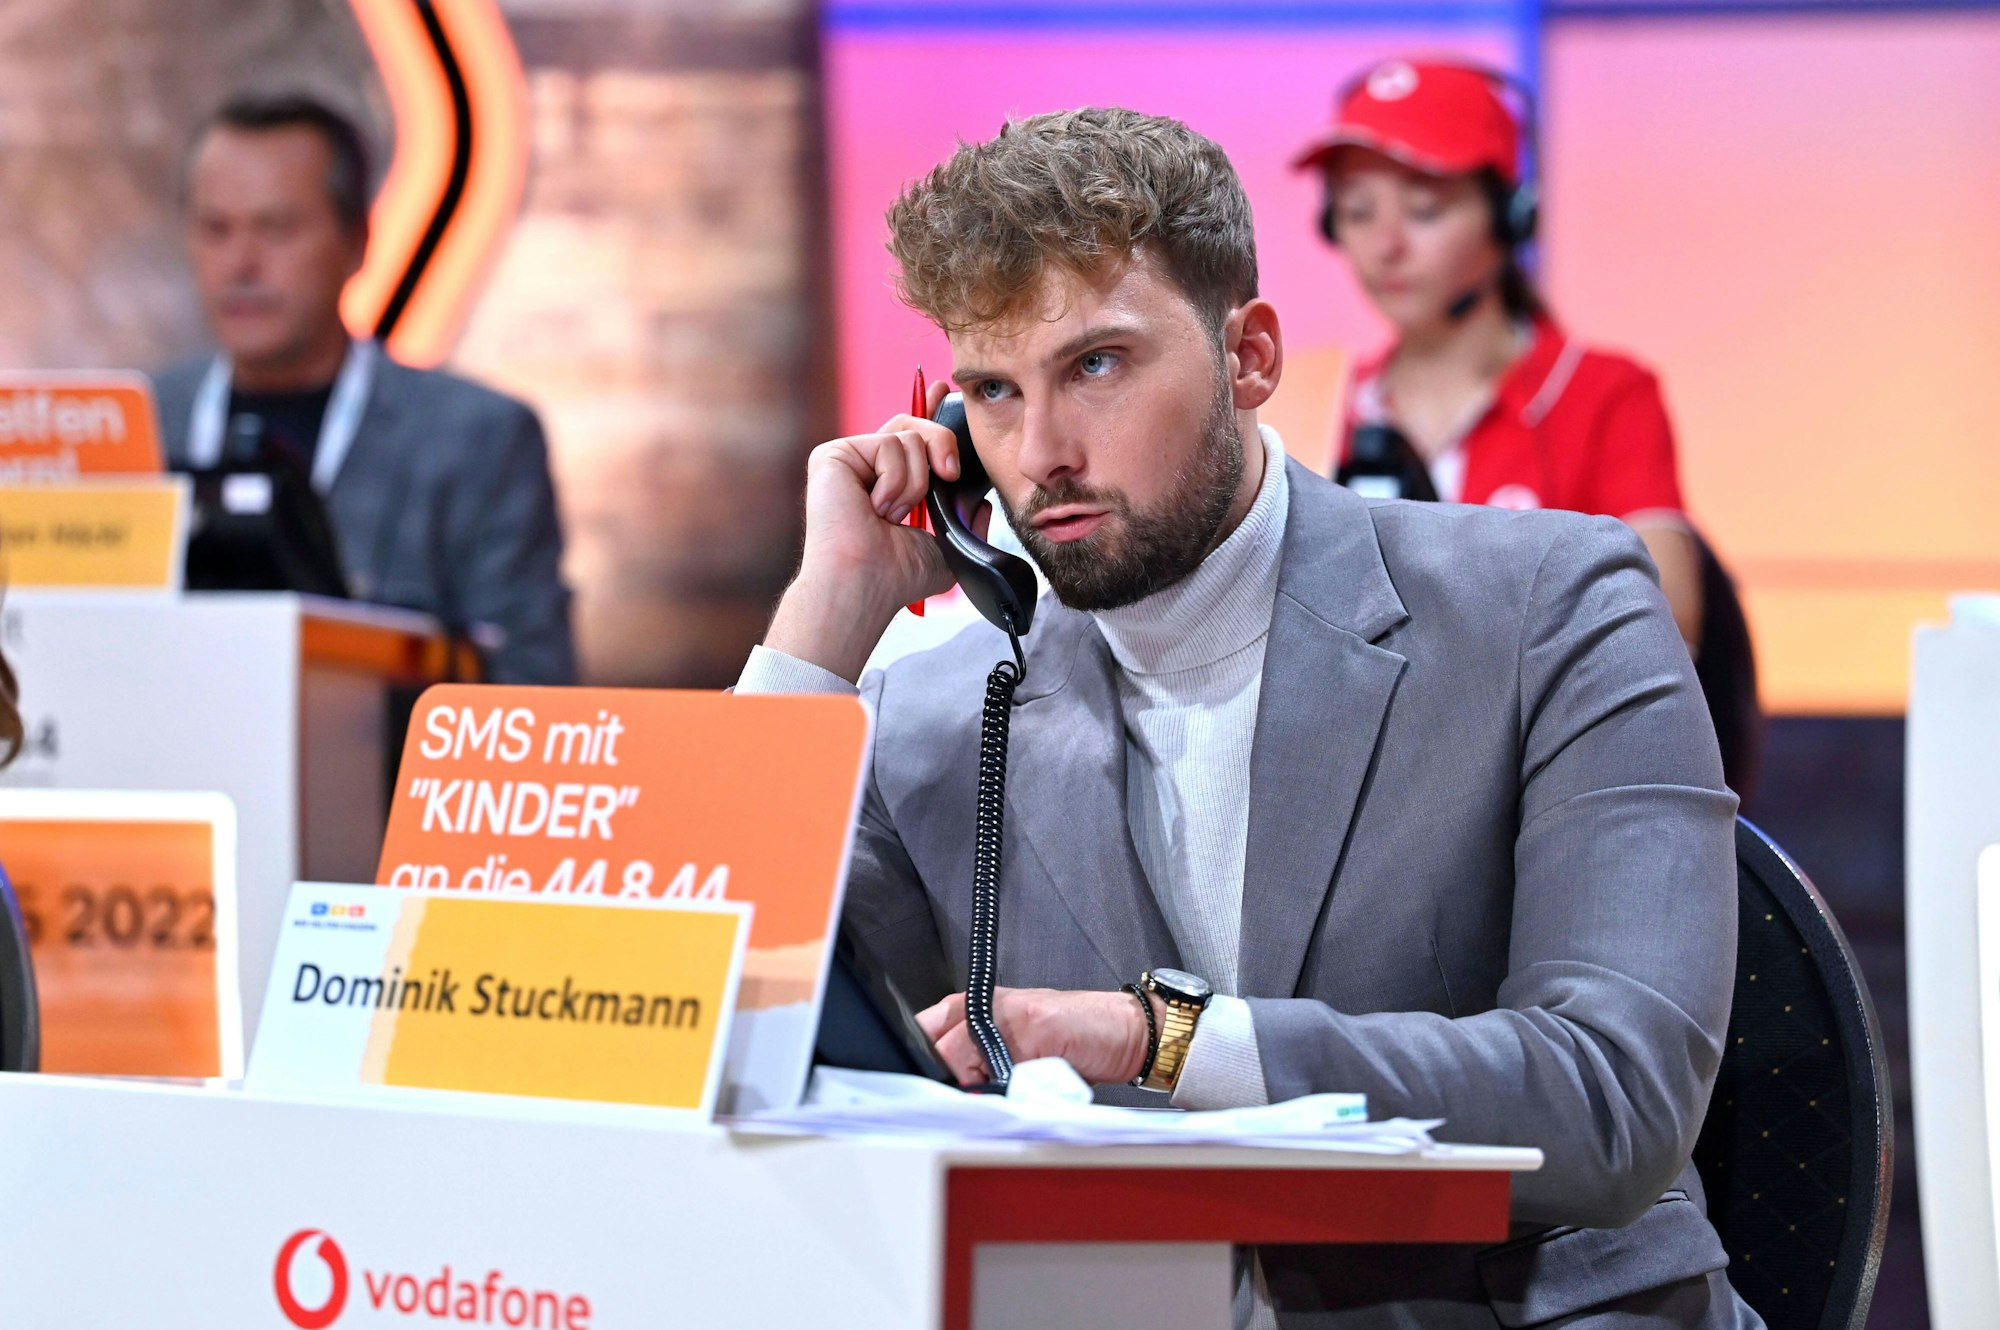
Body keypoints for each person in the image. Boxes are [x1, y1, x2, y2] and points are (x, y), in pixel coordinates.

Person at [739, 108, 1757, 1328]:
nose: (1042, 452)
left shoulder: (1551, 603)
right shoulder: (940, 712)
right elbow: (702, 1016)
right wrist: (822, 620)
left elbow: (1613, 1097)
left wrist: (1153, 1041)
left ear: (1250, 357)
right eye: (992, 393)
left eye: (1096, 365)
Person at [153, 91, 576, 685]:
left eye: (276, 229)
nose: (240, 263)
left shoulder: (478, 440)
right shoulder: (136, 426)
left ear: (356, 243)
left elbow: (532, 691)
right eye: (215, 229)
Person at [1295, 59, 1705, 650]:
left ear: (1512, 217)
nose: (1386, 246)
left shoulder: (1601, 393)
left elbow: (1670, 622)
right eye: (1358, 212)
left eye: (1425, 209)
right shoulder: (1321, 409)